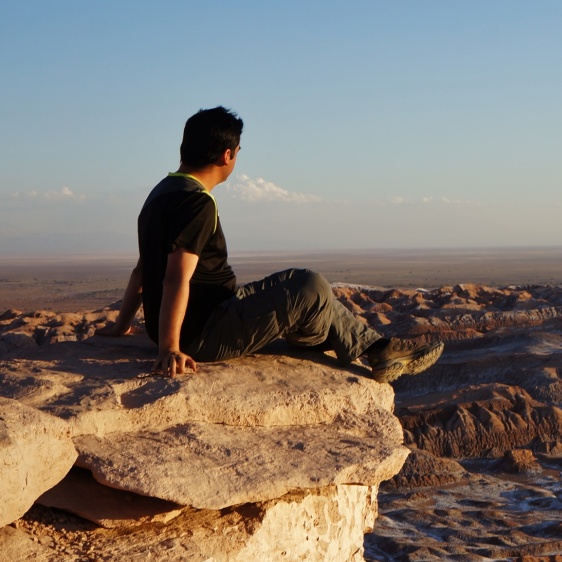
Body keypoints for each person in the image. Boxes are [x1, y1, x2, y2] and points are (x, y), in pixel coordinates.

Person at [100, 106, 442, 382]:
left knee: (299, 280)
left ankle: (378, 349)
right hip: (205, 331)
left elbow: (142, 270)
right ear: (227, 155)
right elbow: (176, 276)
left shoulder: (160, 193)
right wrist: (170, 347)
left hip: (212, 311)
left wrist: (121, 325)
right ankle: (355, 345)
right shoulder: (198, 203)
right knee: (311, 287)